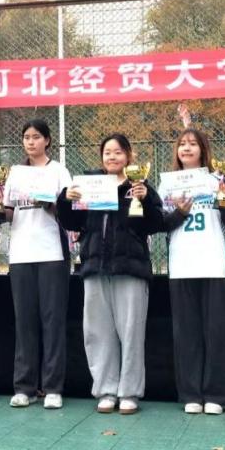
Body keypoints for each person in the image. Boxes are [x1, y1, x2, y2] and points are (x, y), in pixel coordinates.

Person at [57, 133, 163, 415]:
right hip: (94, 268)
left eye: (118, 152)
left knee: (131, 332)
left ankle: (129, 392)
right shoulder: (89, 185)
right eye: (107, 152)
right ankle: (105, 390)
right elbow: (72, 222)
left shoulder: (140, 186)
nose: (112, 157)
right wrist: (66, 199)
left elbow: (155, 224)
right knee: (98, 333)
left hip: (131, 269)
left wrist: (145, 199)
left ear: (128, 156)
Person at [162, 128, 225, 415]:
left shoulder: (219, 180)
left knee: (216, 332)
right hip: (182, 265)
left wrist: (223, 198)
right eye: (182, 143)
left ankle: (217, 395)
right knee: (187, 333)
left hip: (215, 264)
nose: (186, 148)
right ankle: (191, 394)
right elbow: (161, 223)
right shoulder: (167, 183)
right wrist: (180, 212)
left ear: (203, 149)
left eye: (193, 143)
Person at [6, 119, 73, 410]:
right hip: (21, 254)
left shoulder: (59, 171)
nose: (31, 142)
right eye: (26, 137)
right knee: (25, 321)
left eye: (36, 137)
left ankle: (53, 387)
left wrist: (50, 203)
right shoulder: (15, 172)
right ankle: (25, 387)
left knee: (52, 321)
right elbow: (8, 211)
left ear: (47, 140)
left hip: (52, 253)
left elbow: (69, 212)